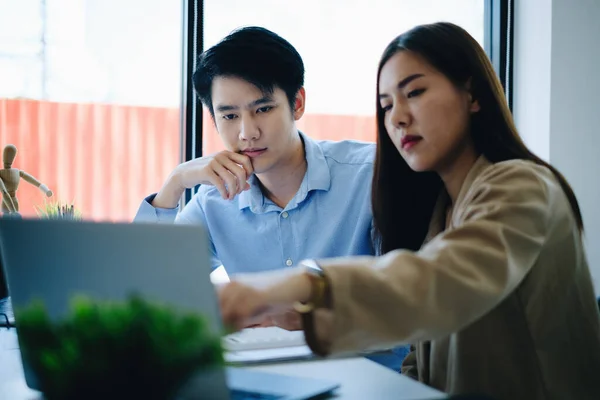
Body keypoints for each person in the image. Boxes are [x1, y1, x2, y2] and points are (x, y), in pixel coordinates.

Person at [218, 22, 600, 399]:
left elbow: (439, 282)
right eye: (386, 106)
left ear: (472, 94)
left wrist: (300, 287)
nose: (396, 117)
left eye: (414, 92)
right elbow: (420, 360)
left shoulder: (522, 186)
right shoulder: (442, 214)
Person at [134, 26, 376, 277]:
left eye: (263, 109)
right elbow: (142, 281)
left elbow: (409, 290)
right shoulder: (214, 203)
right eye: (230, 115)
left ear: (297, 104)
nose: (247, 133)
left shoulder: (370, 175)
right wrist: (176, 182)